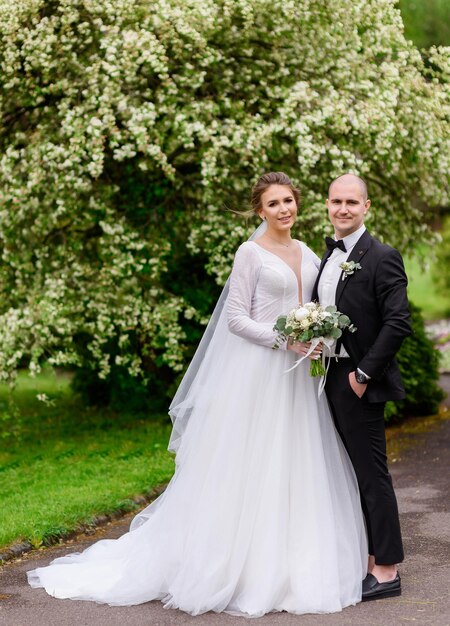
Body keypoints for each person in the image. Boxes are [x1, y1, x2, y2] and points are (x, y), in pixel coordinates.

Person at [28, 172, 367, 617]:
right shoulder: (250, 253)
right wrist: (285, 338)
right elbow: (235, 320)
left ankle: (293, 562)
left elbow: (317, 304)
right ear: (259, 210)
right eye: (273, 204)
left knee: (295, 462)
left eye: (288, 201)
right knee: (247, 465)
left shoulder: (306, 251)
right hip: (259, 373)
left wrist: (318, 335)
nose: (283, 209)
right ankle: (231, 566)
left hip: (298, 378)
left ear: (298, 203)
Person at [311, 173, 411, 601]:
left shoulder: (382, 256)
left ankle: (386, 570)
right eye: (336, 201)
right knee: (345, 473)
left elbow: (397, 322)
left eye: (352, 202)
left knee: (371, 474)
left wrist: (363, 375)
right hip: (327, 377)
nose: (343, 209)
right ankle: (368, 557)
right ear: (328, 205)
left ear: (366, 206)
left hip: (358, 382)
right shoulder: (328, 256)